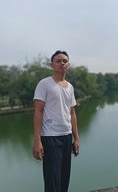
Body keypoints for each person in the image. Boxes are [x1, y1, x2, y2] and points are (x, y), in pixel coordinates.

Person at [32, 50, 79, 192]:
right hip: (50, 137)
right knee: (52, 181)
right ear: (52, 65)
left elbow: (72, 113)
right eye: (58, 61)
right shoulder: (44, 84)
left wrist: (76, 138)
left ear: (68, 65)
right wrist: (37, 140)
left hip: (66, 136)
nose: (62, 63)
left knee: (64, 179)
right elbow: (38, 112)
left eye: (64, 61)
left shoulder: (70, 87)